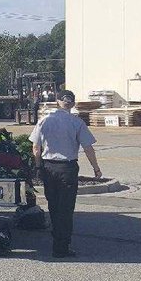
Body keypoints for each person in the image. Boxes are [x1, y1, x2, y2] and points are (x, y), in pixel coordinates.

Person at [29, 89, 103, 258]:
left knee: (53, 206)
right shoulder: (76, 123)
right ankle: (61, 247)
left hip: (49, 168)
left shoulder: (44, 121)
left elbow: (35, 147)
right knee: (66, 209)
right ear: (73, 104)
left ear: (57, 101)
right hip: (67, 169)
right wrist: (96, 168)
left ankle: (56, 238)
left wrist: (38, 166)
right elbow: (88, 148)